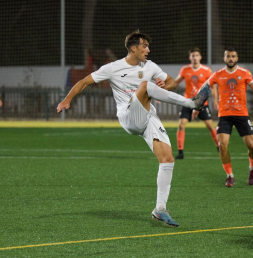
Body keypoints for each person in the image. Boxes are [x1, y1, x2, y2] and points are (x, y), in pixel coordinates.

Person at [57, 30, 209, 227]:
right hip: (129, 117)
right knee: (145, 85)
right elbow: (84, 82)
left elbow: (171, 82)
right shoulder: (112, 68)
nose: (148, 49)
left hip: (148, 116)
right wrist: (67, 99)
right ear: (133, 48)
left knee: (167, 158)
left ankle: (160, 209)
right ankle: (192, 103)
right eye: (145, 46)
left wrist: (166, 85)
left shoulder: (150, 66)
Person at [206, 47, 253, 187]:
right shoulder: (217, 74)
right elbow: (206, 87)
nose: (230, 58)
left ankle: (252, 169)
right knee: (222, 145)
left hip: (242, 114)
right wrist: (197, 102)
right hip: (225, 116)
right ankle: (230, 176)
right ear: (224, 58)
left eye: (233, 56)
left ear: (237, 58)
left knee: (252, 147)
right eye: (228, 56)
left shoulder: (244, 73)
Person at [174, 48, 218, 160]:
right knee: (181, 124)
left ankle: (219, 146)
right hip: (188, 102)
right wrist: (163, 90)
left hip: (202, 102)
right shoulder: (185, 70)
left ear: (200, 57)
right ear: (190, 58)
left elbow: (213, 87)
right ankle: (180, 152)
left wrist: (216, 101)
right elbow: (175, 82)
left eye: (196, 55)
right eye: (192, 55)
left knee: (209, 125)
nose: (195, 57)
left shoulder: (206, 70)